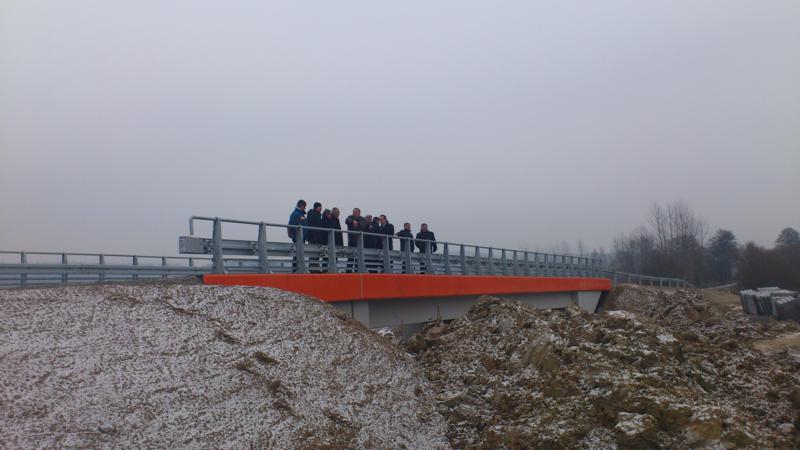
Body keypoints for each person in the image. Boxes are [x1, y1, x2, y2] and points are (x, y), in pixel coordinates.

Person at [288, 200, 307, 273]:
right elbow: (291, 225)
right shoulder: (296, 214)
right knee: (297, 253)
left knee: (299, 253)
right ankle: (295, 270)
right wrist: (293, 235)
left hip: (301, 237)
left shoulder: (299, 213)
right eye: (304, 206)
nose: (305, 208)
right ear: (301, 206)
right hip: (298, 237)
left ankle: (298, 269)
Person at [345, 208, 366, 272]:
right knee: (350, 257)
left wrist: (357, 223)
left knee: (358, 257)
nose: (354, 213)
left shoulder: (362, 219)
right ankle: (348, 272)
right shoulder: (350, 217)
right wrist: (352, 221)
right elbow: (346, 220)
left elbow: (363, 225)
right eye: (353, 211)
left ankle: (357, 271)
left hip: (359, 241)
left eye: (356, 212)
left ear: (359, 213)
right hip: (351, 241)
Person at [305, 202, 323, 272]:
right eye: (320, 207)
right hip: (313, 237)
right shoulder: (313, 214)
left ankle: (315, 268)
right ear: (317, 207)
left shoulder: (316, 214)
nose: (321, 208)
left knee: (316, 254)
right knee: (313, 254)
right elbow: (314, 226)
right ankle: (313, 269)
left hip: (315, 237)